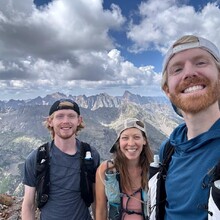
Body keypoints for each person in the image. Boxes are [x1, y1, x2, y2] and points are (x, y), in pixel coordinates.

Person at [149, 35, 220, 220]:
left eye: (201, 62)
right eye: (177, 69)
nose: (189, 73)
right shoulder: (169, 149)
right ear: (167, 90)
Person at [21, 99, 100, 220]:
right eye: (60, 116)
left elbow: (97, 199)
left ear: (79, 120)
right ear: (50, 121)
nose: (66, 121)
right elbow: (29, 205)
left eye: (71, 116)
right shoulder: (36, 158)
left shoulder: (91, 154)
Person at [95, 118, 153, 220]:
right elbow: (101, 210)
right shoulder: (106, 170)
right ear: (119, 143)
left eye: (136, 137)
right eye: (125, 138)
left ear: (144, 141)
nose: (131, 143)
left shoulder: (154, 171)